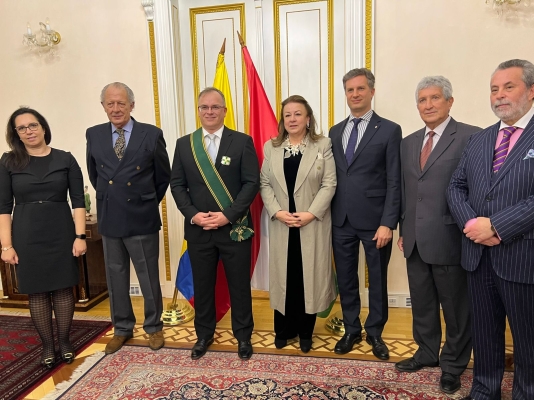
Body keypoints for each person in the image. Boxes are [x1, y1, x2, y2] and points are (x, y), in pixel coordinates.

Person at [448, 59, 534, 400]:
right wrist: (472, 224)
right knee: (484, 334)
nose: (499, 96)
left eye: (508, 87)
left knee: (527, 338)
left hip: (522, 257)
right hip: (478, 257)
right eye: (494, 89)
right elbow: (456, 186)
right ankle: (484, 390)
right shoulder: (480, 139)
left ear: (531, 90)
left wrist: (497, 225)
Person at [396, 76, 479, 394]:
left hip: (450, 237)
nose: (427, 105)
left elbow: (476, 188)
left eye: (434, 98)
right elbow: (406, 191)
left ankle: (454, 365)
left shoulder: (472, 137)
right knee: (422, 303)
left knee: (457, 307)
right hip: (414, 238)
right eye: (421, 100)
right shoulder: (409, 142)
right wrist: (404, 229)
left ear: (449, 101)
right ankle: (427, 352)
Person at [170, 87, 260, 360]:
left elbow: (251, 183)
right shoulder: (185, 144)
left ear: (224, 110)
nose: (209, 112)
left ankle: (243, 337)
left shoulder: (242, 141)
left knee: (239, 286)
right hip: (199, 229)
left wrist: (228, 215)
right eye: (204, 107)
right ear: (198, 111)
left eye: (215, 107)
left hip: (234, 228)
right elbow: (177, 185)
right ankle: (204, 334)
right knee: (204, 284)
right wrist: (194, 215)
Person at [86, 82, 171, 354]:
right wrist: (112, 197)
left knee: (148, 276)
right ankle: (122, 328)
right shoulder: (94, 134)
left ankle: (153, 327)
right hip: (110, 217)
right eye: (110, 103)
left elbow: (163, 176)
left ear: (132, 105)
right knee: (116, 276)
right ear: (103, 106)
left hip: (141, 216)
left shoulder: (151, 133)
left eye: (121, 103)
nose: (116, 108)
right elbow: (95, 175)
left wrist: (145, 200)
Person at [0, 107, 86, 368]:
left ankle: (65, 341)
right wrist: (6, 245)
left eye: (33, 125)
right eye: (22, 127)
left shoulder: (66, 159)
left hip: (60, 230)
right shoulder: (7, 162)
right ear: (15, 133)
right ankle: (48, 346)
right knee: (37, 292)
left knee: (62, 288)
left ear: (44, 127)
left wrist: (80, 236)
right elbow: (3, 207)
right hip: (26, 232)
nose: (29, 131)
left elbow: (79, 202)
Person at [329, 68, 402, 360]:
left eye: (360, 89)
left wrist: (388, 222)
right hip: (341, 220)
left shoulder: (389, 129)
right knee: (346, 279)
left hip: (376, 222)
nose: (355, 94)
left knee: (378, 280)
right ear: (345, 93)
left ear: (372, 91)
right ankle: (350, 329)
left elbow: (395, 180)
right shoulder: (335, 131)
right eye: (350, 90)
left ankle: (375, 333)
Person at [260, 95, 337, 353]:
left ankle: (305, 333)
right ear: (283, 119)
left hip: (311, 223)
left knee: (309, 278)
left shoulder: (322, 145)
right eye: (288, 115)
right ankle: (283, 330)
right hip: (282, 222)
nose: (292, 119)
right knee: (285, 277)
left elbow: (329, 183)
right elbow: (265, 184)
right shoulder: (271, 147)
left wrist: (311, 213)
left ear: (308, 118)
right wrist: (277, 211)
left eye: (298, 114)